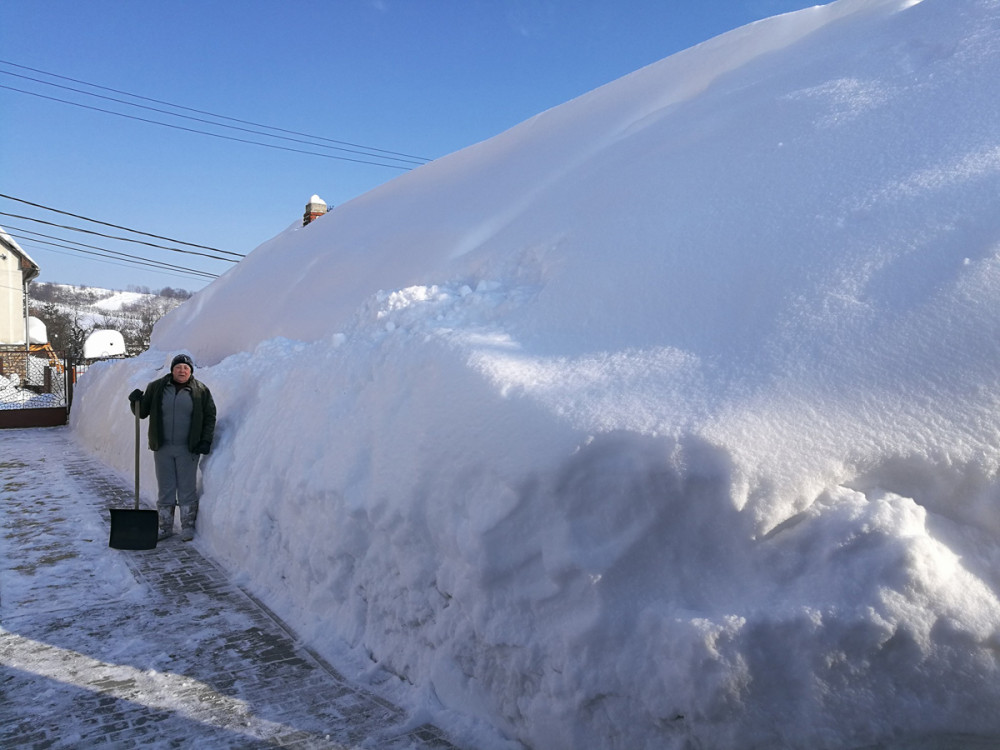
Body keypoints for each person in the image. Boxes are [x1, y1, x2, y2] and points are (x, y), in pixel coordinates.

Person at [128, 353, 217, 541]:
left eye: (186, 368)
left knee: (187, 487)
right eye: (178, 367)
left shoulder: (200, 391)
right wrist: (134, 401)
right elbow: (142, 412)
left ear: (191, 371)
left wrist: (205, 440)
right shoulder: (157, 388)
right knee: (166, 487)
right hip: (162, 447)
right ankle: (165, 527)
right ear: (172, 370)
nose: (182, 370)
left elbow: (209, 416)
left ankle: (187, 526)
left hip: (188, 447)